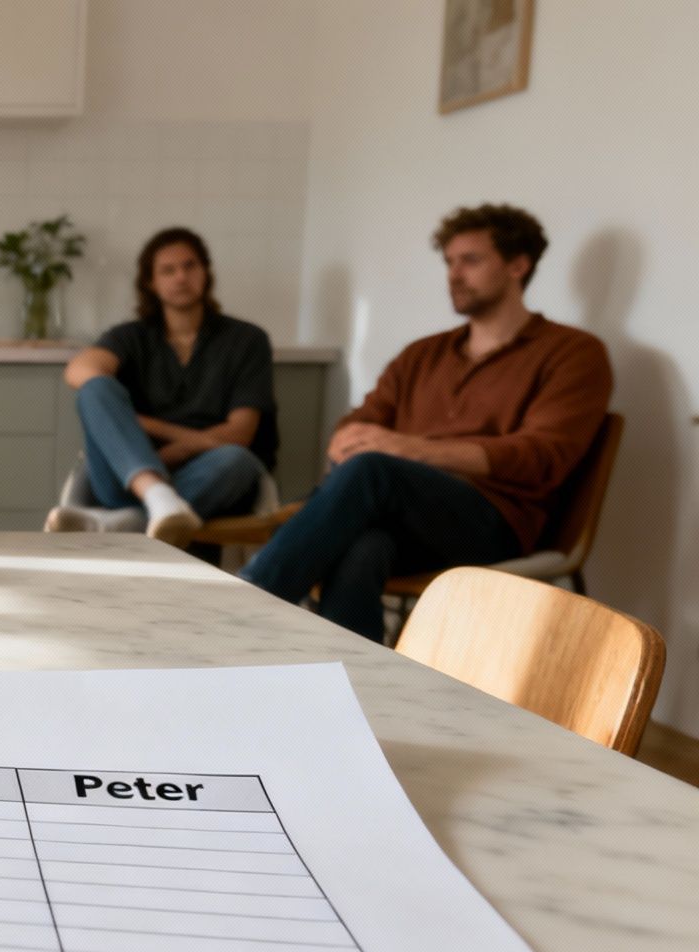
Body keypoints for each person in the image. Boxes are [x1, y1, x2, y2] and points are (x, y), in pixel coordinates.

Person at [240, 204, 613, 642]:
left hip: (495, 522)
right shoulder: (422, 354)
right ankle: (351, 675)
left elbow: (543, 457)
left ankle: (242, 608)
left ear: (518, 265)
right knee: (363, 546)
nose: (454, 274)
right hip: (402, 517)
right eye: (449, 262)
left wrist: (410, 450)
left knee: (372, 470)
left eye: (470, 260)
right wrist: (348, 439)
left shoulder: (572, 353)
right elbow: (360, 421)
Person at [50, 227, 277, 546]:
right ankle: (155, 497)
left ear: (206, 272)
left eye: (190, 266)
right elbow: (79, 371)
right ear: (150, 282)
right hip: (126, 478)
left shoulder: (247, 340)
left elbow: (240, 433)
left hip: (208, 473)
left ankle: (127, 522)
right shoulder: (130, 337)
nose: (181, 277)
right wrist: (146, 458)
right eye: (168, 270)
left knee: (237, 460)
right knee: (95, 388)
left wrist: (167, 450)